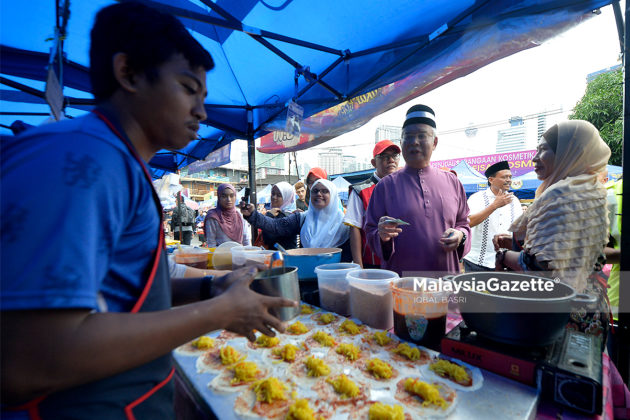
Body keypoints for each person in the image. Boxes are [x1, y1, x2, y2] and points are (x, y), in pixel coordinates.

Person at [1, 3, 295, 418]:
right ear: (129, 74)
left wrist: (211, 288)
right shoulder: (84, 162)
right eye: (188, 88)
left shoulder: (120, 163)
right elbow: (30, 359)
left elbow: (118, 293)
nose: (202, 112)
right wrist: (217, 312)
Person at [494, 120, 611, 294]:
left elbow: (544, 268)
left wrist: (503, 256)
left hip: (559, 309)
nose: (534, 158)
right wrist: (517, 242)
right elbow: (573, 251)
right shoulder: (591, 192)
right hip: (589, 303)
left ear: (567, 153)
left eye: (543, 150)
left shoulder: (560, 194)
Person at [364, 105, 471, 277]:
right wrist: (381, 235)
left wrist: (460, 235)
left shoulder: (453, 182)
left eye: (422, 136)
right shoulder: (384, 187)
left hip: (446, 279)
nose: (414, 141)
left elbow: (463, 223)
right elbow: (370, 230)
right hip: (402, 281)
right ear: (402, 143)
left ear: (434, 142)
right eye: (408, 136)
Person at [240, 179, 352, 261]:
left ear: (332, 196)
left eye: (324, 191)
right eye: (315, 191)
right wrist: (253, 215)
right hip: (307, 275)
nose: (319, 194)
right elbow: (276, 226)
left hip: (333, 277)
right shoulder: (303, 218)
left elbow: (348, 257)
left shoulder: (345, 224)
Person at [344, 139, 400, 268]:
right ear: (374, 163)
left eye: (394, 156)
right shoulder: (360, 191)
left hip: (401, 261)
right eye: (384, 156)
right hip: (372, 263)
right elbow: (355, 228)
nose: (391, 160)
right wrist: (359, 267)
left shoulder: (406, 188)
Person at [462, 161, 522, 271]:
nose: (509, 180)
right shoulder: (477, 198)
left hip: (505, 262)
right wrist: (494, 206)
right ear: (491, 180)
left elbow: (520, 230)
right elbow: (467, 223)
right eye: (504, 177)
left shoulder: (515, 201)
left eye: (510, 177)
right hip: (477, 261)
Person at [256, 181, 298, 250]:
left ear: (286, 197)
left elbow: (267, 238)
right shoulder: (278, 213)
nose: (274, 197)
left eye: (279, 195)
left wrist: (268, 216)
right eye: (273, 193)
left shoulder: (286, 217)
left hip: (284, 258)